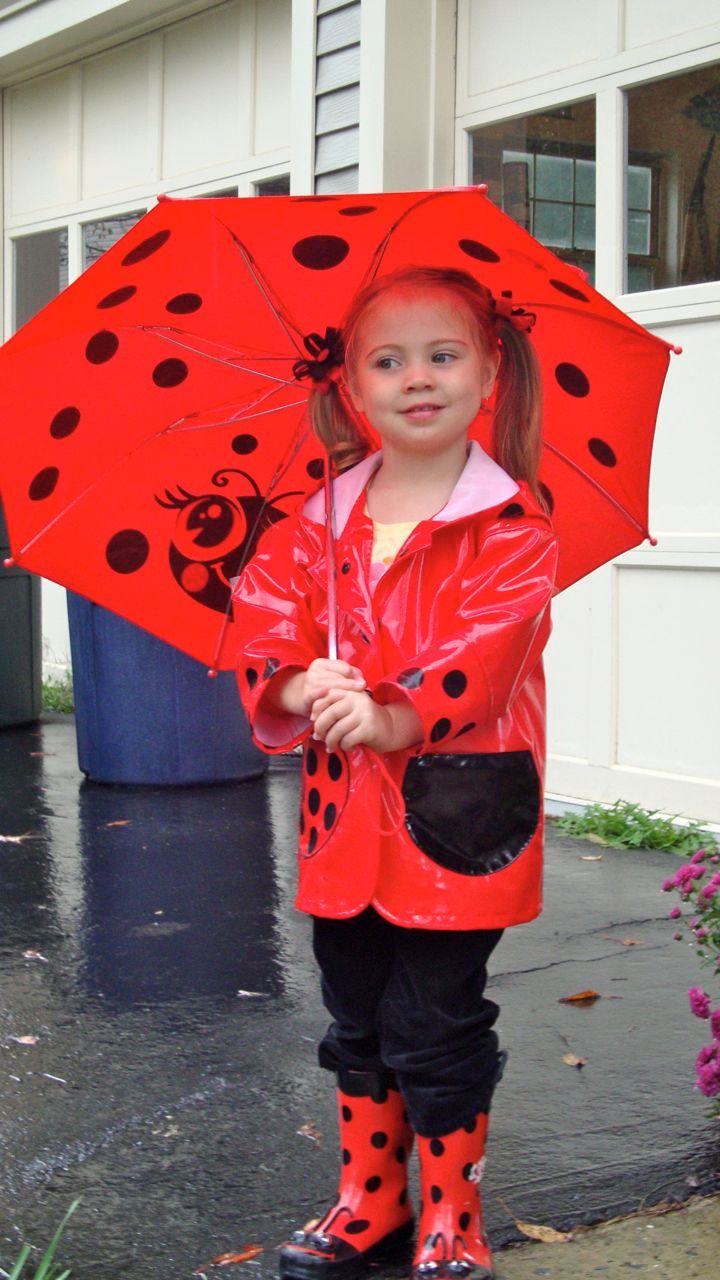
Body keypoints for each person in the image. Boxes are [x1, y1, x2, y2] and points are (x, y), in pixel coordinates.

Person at [232, 266, 559, 1280]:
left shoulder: (512, 524)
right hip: (344, 822)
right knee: (357, 1006)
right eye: (389, 360)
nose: (417, 378)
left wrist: (389, 709)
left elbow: (487, 648)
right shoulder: (312, 526)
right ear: (352, 390)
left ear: (489, 369)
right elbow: (261, 625)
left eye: (442, 353)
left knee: (437, 1016)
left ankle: (451, 1216)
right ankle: (370, 1198)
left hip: (457, 815)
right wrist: (297, 683)